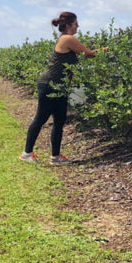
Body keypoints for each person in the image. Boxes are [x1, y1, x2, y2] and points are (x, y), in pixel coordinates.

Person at [19, 11, 98, 165]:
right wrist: (108, 50)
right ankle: (27, 153)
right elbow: (88, 54)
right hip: (50, 85)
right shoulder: (68, 38)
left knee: (60, 120)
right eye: (76, 23)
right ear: (68, 25)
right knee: (40, 119)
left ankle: (56, 157)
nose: (78, 26)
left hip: (60, 87)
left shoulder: (65, 38)